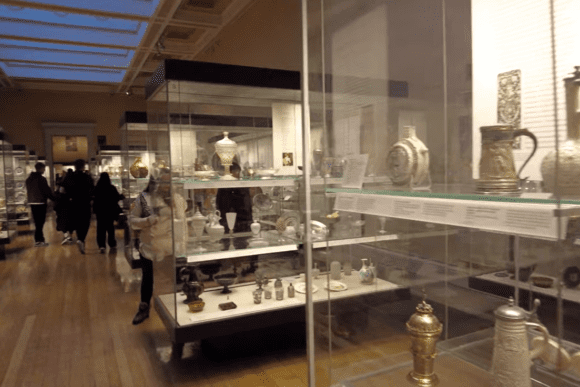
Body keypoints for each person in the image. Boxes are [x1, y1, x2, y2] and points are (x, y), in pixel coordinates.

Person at [129, 170, 186, 325]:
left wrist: (183, 244)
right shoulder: (144, 199)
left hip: (171, 249)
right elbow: (133, 221)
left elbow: (183, 223)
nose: (166, 186)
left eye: (169, 182)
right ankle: (144, 308)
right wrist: (148, 220)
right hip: (150, 248)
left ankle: (176, 313)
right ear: (155, 182)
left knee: (173, 281)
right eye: (162, 182)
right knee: (148, 279)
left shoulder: (178, 199)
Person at [62, 159, 94, 254]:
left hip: (73, 203)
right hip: (85, 202)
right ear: (83, 166)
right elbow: (92, 190)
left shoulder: (69, 177)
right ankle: (81, 239)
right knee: (85, 222)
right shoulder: (87, 177)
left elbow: (63, 190)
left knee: (76, 221)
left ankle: (79, 238)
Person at [93, 172, 125, 254]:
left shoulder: (97, 188)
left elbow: (94, 199)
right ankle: (112, 244)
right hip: (110, 211)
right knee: (110, 228)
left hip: (100, 211)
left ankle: (101, 246)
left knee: (100, 229)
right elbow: (117, 198)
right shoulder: (112, 188)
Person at [216, 163, 252, 233]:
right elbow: (221, 207)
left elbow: (247, 207)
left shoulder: (242, 185)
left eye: (238, 172)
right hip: (227, 223)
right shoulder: (223, 187)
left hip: (243, 223)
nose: (238, 174)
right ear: (230, 173)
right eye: (236, 172)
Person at [25, 162, 55, 246]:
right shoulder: (42, 179)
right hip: (40, 202)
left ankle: (39, 239)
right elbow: (47, 191)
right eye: (43, 169)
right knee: (40, 222)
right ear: (41, 169)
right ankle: (39, 240)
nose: (44, 170)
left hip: (33, 202)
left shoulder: (29, 179)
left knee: (37, 222)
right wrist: (54, 199)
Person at [55, 168, 74, 244]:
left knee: (62, 220)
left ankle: (67, 236)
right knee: (71, 221)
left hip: (63, 204)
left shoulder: (63, 182)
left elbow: (60, 193)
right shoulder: (74, 182)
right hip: (72, 205)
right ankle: (70, 236)